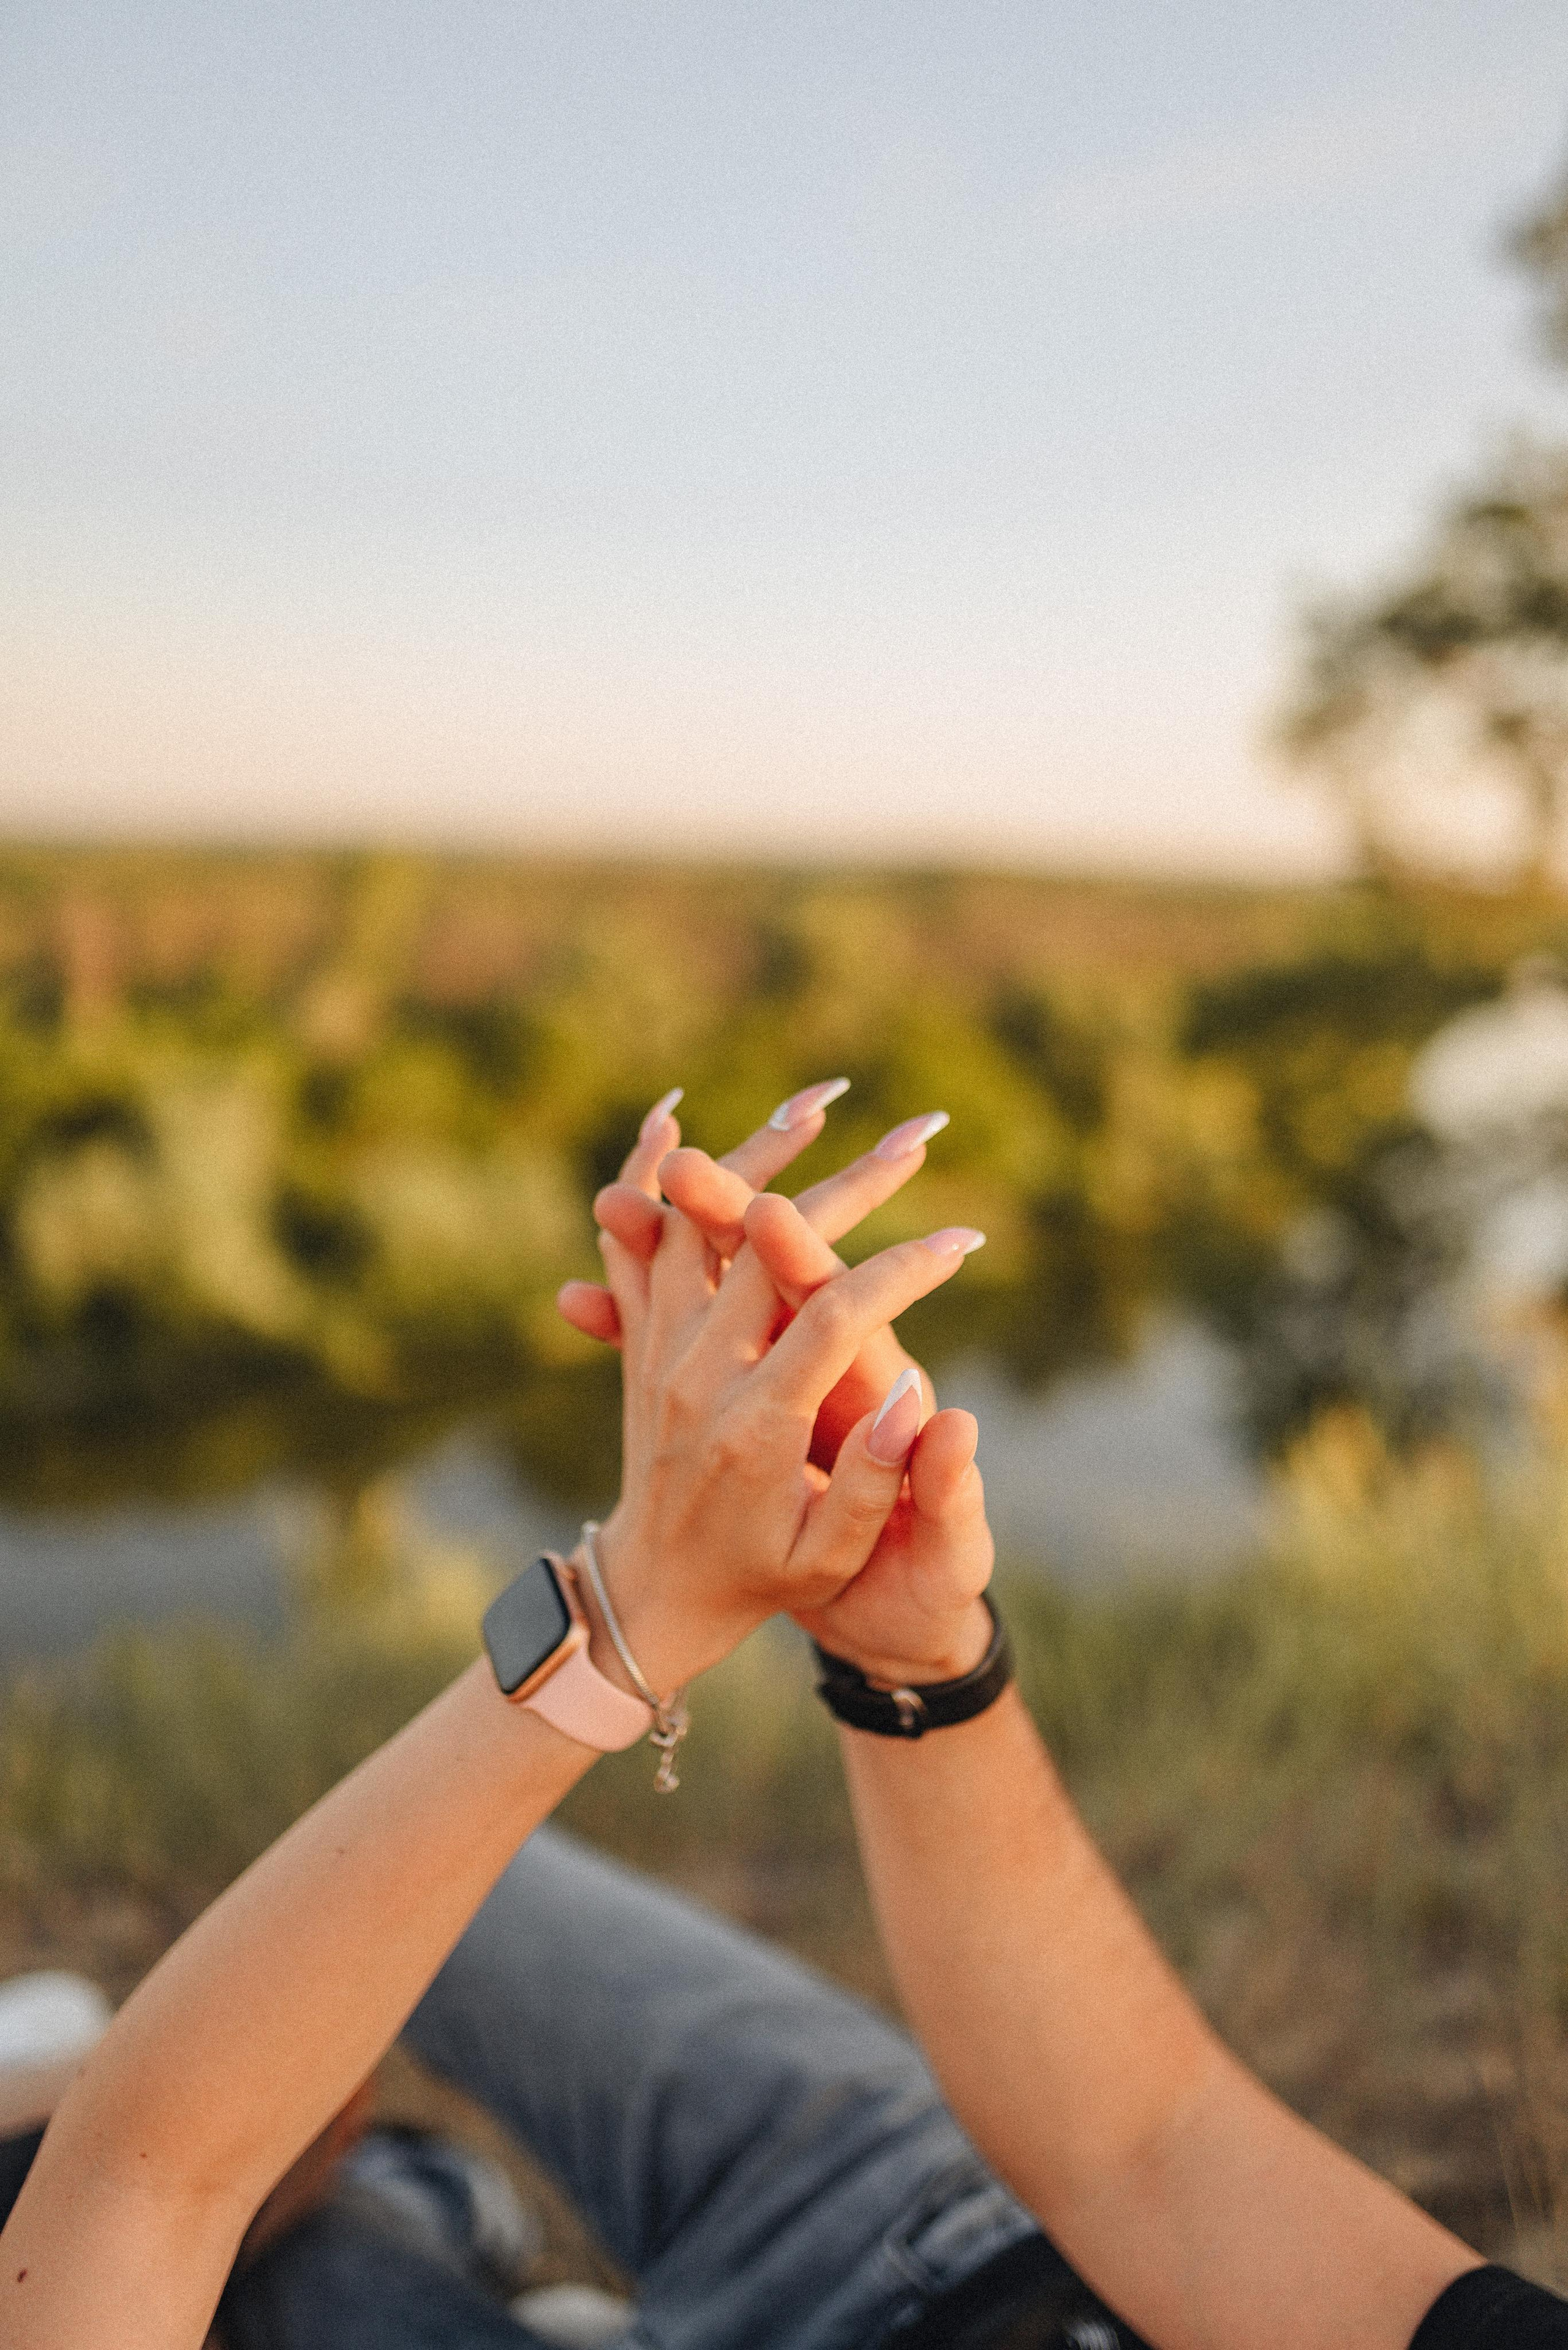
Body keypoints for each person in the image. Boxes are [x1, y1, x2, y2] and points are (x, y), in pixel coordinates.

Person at [0, 1084, 1563, 2349]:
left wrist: (623, 1615)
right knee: (436, 1900)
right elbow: (1143, 2147)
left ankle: (399, 2207)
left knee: (254, 2229)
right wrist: (917, 1659)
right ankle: (418, 2201)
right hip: (960, 2227)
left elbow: (130, 2208)